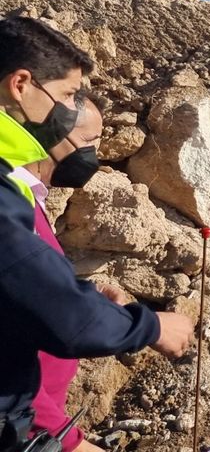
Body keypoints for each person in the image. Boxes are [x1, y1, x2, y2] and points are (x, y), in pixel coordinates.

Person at [0, 17, 194, 451]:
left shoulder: (15, 188)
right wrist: (151, 326)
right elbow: (59, 314)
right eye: (67, 95)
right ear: (21, 84)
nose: (69, 111)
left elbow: (27, 288)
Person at [11, 96, 116, 452]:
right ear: (52, 133)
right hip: (28, 428)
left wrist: (81, 297)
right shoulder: (13, 211)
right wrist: (66, 441)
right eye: (88, 142)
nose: (94, 156)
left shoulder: (30, 199)